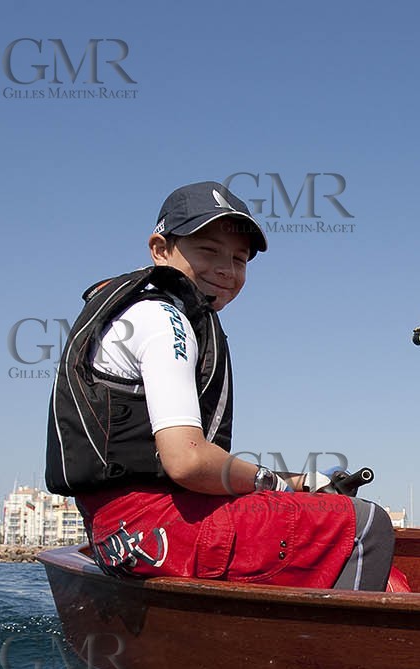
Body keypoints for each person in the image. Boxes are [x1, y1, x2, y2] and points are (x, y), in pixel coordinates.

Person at [45, 181, 395, 590]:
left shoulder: (142, 312)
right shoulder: (163, 320)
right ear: (160, 249)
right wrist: (274, 483)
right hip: (153, 527)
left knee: (336, 530)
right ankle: (339, 654)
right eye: (208, 251)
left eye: (239, 259)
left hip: (119, 534)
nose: (226, 270)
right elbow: (188, 462)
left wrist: (299, 482)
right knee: (365, 523)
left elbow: (178, 464)